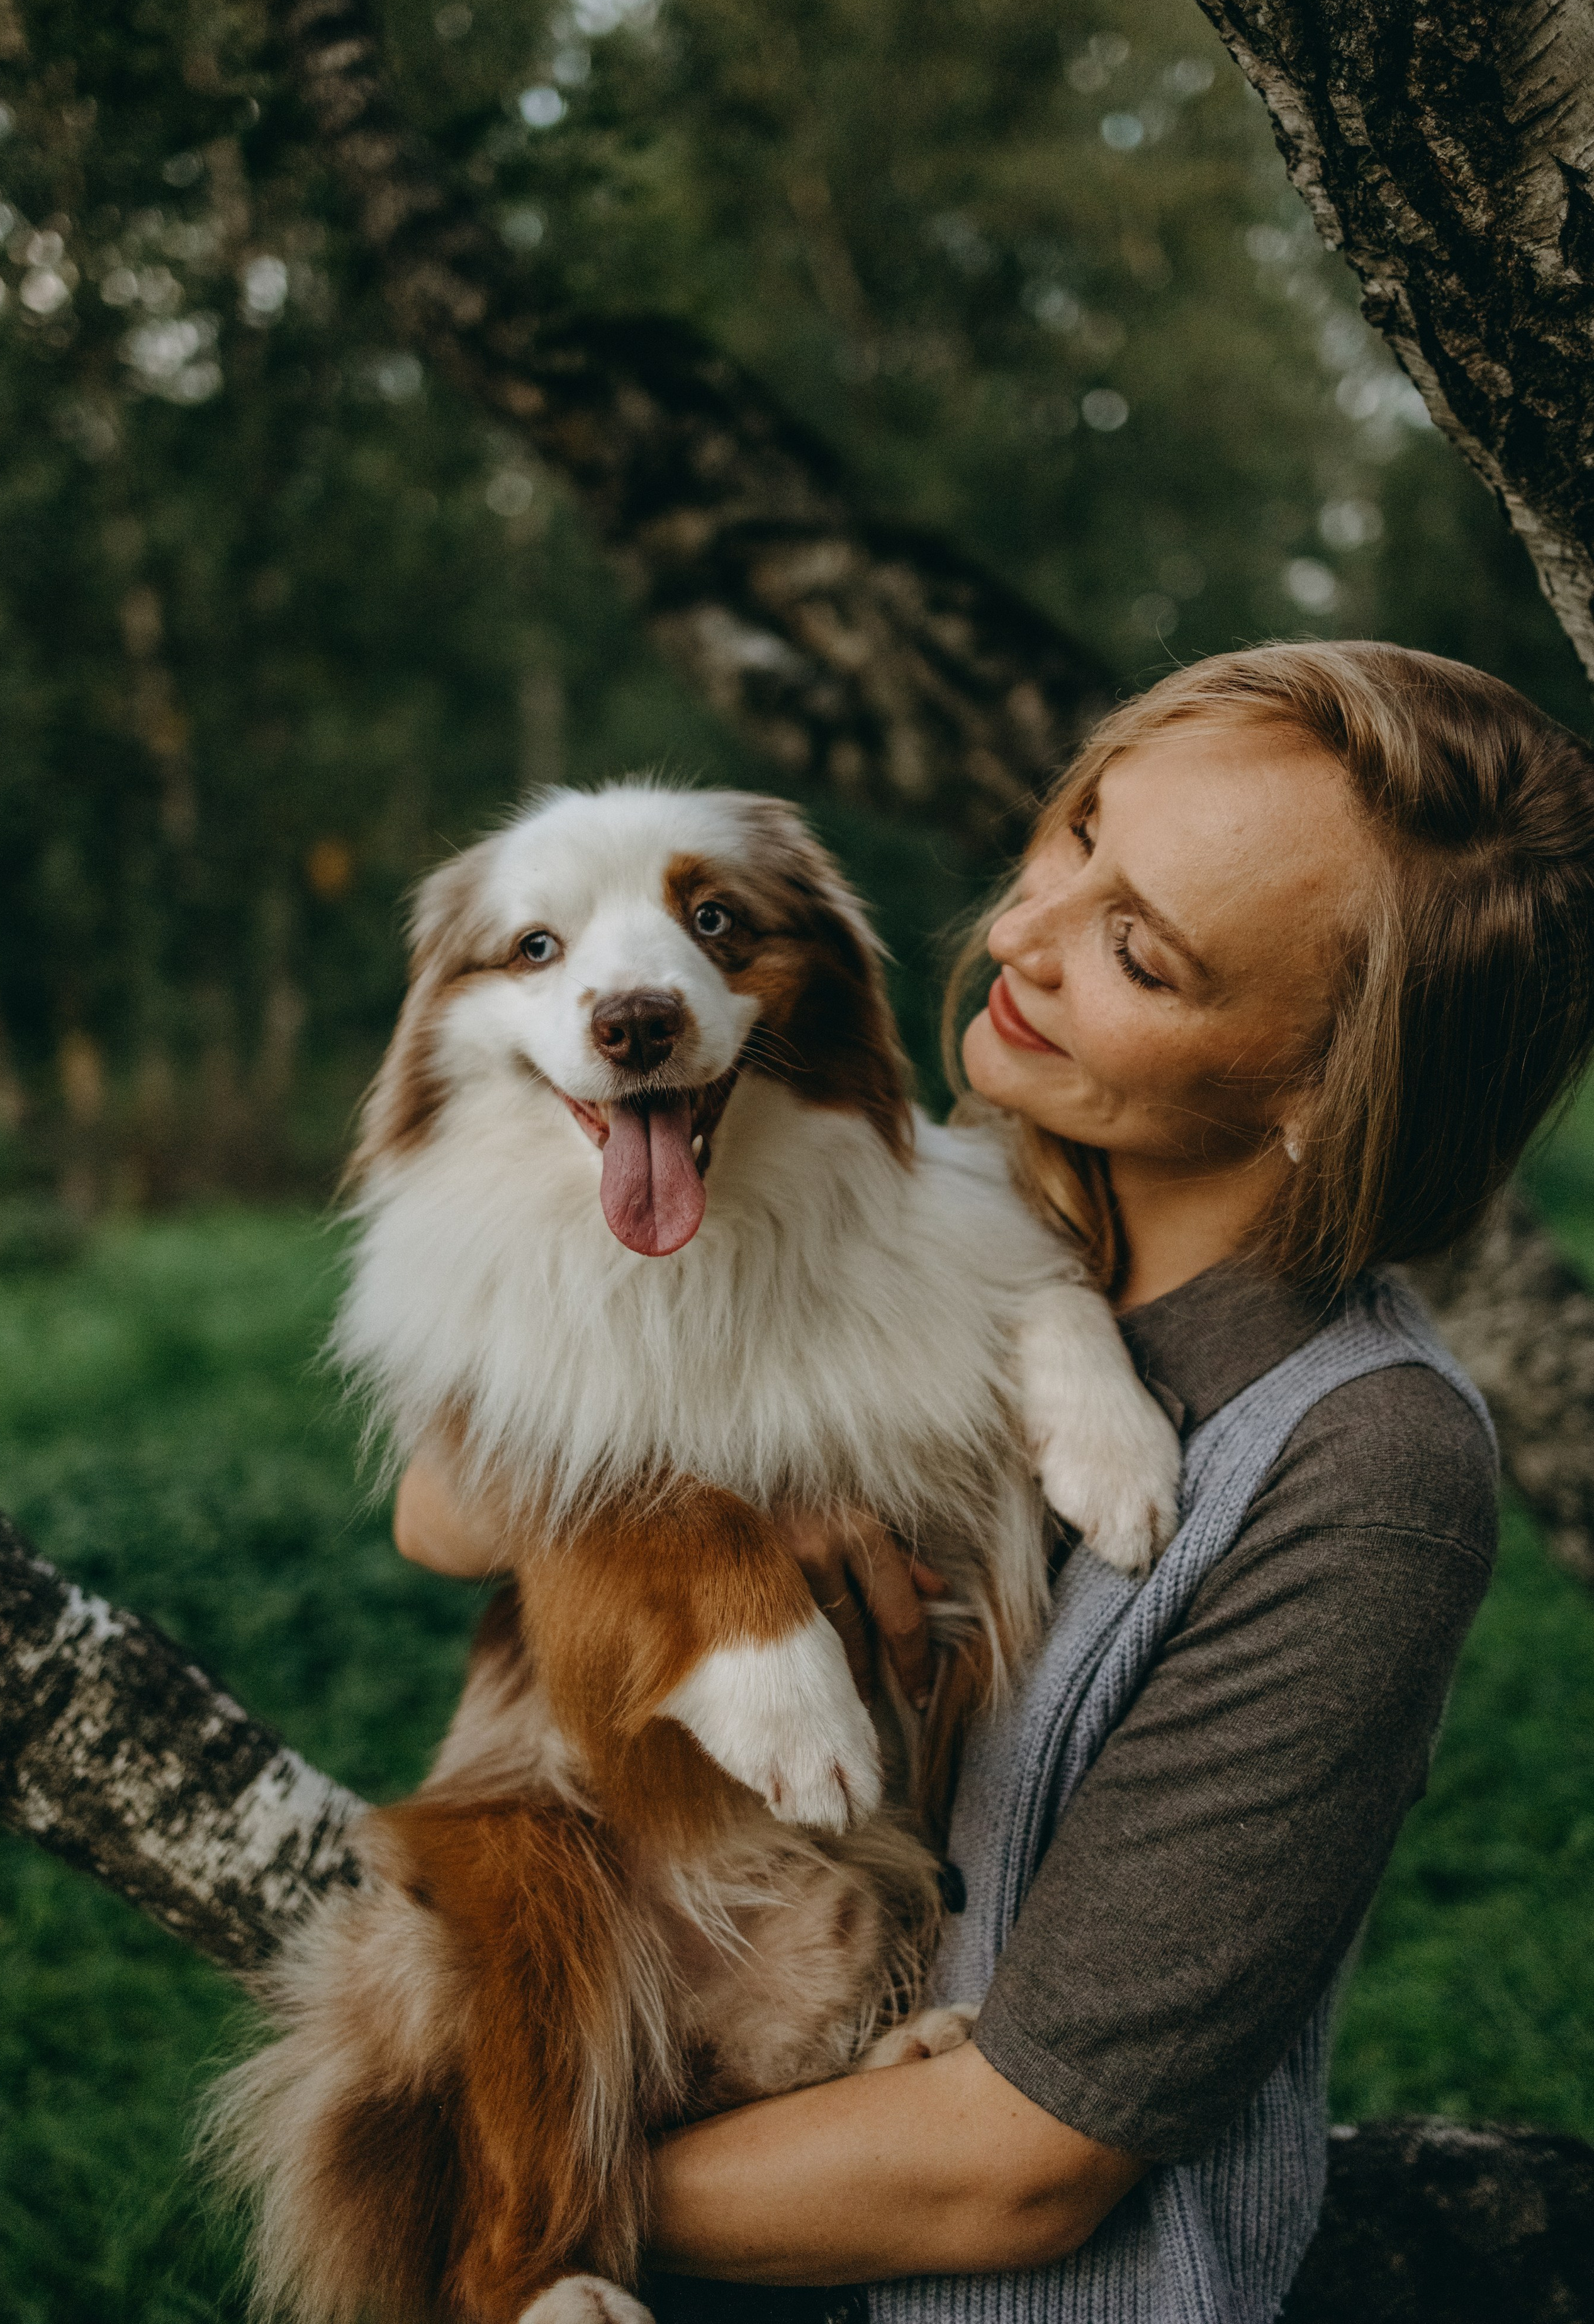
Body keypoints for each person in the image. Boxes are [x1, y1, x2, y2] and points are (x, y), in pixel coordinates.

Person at [393, 643, 1594, 2323]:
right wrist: (733, 1519)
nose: (1023, 929)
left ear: (1328, 1088)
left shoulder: (1359, 1460)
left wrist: (513, 2197)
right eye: (1076, 834)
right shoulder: (936, 1171)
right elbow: (449, 1497)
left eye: (1139, 952)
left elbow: (1024, 2159)